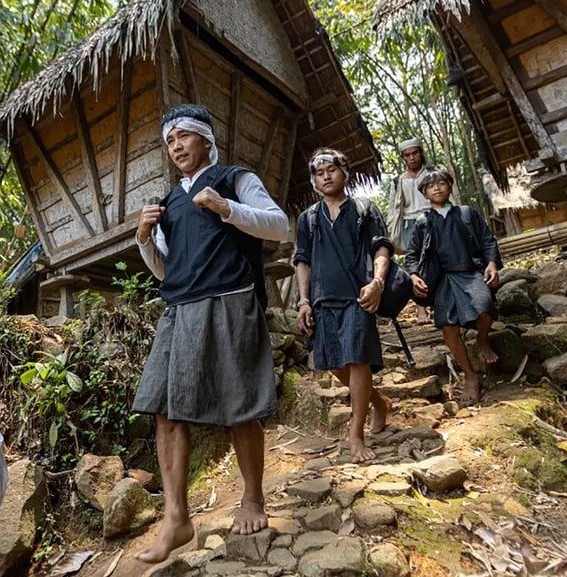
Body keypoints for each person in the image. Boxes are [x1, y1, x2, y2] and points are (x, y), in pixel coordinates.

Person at [132, 103, 289, 563]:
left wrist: (226, 208)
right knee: (163, 408)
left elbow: (279, 226)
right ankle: (176, 518)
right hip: (179, 308)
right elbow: (166, 271)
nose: (176, 146)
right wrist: (143, 239)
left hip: (229, 299)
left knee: (240, 406)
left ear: (206, 139)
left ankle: (253, 498)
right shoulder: (169, 202)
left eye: (184, 136)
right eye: (169, 141)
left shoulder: (235, 178)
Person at [293, 149, 394, 463]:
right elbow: (302, 260)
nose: (326, 176)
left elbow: (381, 248)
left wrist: (377, 282)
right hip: (323, 299)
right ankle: (378, 402)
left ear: (345, 173)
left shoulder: (364, 209)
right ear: (314, 180)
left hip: (358, 295)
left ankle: (356, 434)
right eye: (319, 172)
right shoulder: (308, 218)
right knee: (335, 364)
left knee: (357, 359)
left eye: (331, 169)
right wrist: (304, 300)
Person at [404, 168, 502, 406]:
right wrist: (413, 275)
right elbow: (412, 254)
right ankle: (470, 376)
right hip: (443, 280)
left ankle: (482, 338)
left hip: (470, 272)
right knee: (448, 328)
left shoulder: (467, 213)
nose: (436, 188)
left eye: (441, 183)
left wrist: (491, 264)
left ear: (449, 186)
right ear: (424, 193)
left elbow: (488, 240)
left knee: (485, 307)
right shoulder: (422, 222)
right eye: (430, 186)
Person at [387, 139, 444, 324]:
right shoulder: (398, 180)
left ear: (421, 153)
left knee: (438, 261)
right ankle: (421, 309)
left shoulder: (433, 173)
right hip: (410, 225)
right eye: (407, 155)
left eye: (415, 153)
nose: (412, 158)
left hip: (432, 219)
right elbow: (393, 208)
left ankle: (440, 305)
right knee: (415, 265)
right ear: (403, 158)